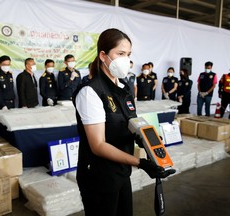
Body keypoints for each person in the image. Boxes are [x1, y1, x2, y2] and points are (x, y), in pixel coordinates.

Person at [73, 28, 175, 216]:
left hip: (121, 172)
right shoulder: (90, 92)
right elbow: (98, 145)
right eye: (120, 54)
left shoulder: (124, 87)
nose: (125, 59)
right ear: (103, 56)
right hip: (99, 176)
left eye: (128, 54)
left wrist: (146, 140)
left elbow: (129, 123)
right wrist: (141, 163)